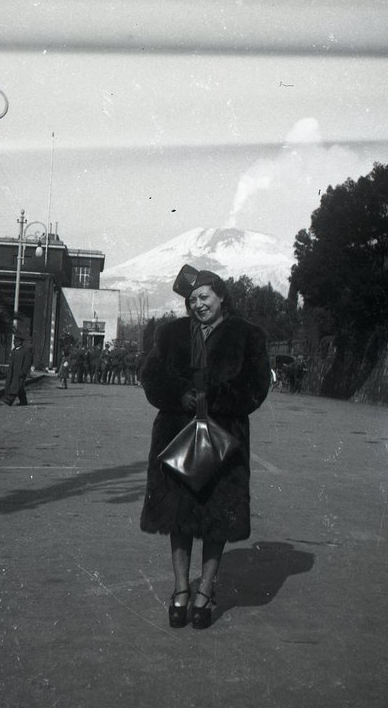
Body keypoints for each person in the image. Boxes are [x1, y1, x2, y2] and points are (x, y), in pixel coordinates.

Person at [140, 266, 270, 629]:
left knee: (216, 518)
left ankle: (205, 592)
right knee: (177, 516)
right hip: (175, 436)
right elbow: (150, 375)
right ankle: (181, 589)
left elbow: (257, 387)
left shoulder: (247, 336)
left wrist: (216, 398)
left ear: (221, 296)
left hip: (223, 440)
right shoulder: (171, 334)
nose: (198, 305)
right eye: (192, 299)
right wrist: (179, 394)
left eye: (204, 297)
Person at [3, 334, 33, 406]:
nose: (14, 343)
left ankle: (10, 400)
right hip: (13, 372)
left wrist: (24, 371)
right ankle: (23, 401)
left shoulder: (26, 351)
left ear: (20, 342)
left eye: (16, 342)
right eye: (14, 341)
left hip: (20, 372)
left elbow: (28, 362)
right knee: (19, 387)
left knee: (16, 386)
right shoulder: (14, 351)